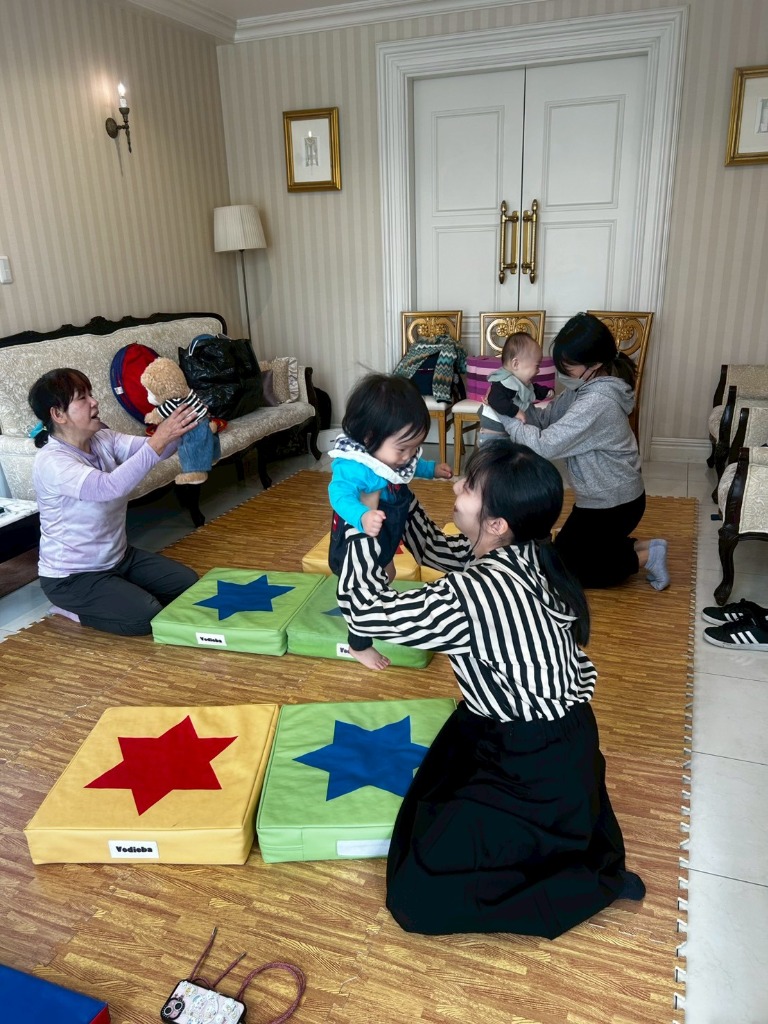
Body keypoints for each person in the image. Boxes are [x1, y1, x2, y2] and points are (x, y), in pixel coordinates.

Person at [335, 439, 645, 937]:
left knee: (416, 897)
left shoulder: (478, 592)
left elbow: (365, 612)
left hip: (535, 756)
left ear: (497, 523)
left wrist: (357, 526)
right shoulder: (527, 548)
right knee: (431, 808)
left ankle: (586, 882)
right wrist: (390, 484)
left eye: (470, 487)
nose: (456, 486)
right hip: (525, 729)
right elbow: (434, 547)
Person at [497, 312, 668, 590]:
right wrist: (519, 400)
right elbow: (545, 420)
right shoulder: (583, 388)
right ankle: (640, 545)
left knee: (569, 572)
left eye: (568, 368)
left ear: (595, 364)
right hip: (598, 499)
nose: (563, 375)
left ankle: (647, 557)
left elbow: (545, 444)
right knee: (561, 557)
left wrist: (506, 417)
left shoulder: (597, 401)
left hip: (615, 504)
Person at [28, 367, 200, 636]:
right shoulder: (52, 462)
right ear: (58, 414)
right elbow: (109, 488)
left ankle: (119, 593)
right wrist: (159, 439)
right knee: (145, 618)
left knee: (188, 584)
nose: (94, 402)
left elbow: (158, 450)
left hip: (120, 558)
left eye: (91, 394)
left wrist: (183, 425)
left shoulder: (102, 438)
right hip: (72, 577)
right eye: (82, 398)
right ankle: (72, 610)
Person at [328, 372, 452, 670]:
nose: (408, 456)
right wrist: (362, 515)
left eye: (414, 448)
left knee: (388, 572)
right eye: (402, 449)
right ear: (369, 437)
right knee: (364, 589)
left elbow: (410, 467)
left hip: (385, 532)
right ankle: (358, 645)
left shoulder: (391, 455)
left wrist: (432, 469)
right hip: (357, 541)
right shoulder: (354, 465)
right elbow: (338, 495)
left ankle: (379, 587)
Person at [476, 332, 552, 445]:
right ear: (516, 364)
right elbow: (495, 400)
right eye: (537, 366)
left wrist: (546, 392)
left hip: (506, 433)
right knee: (498, 456)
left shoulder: (519, 381)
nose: (538, 370)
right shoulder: (504, 382)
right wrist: (516, 412)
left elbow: (532, 390)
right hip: (493, 436)